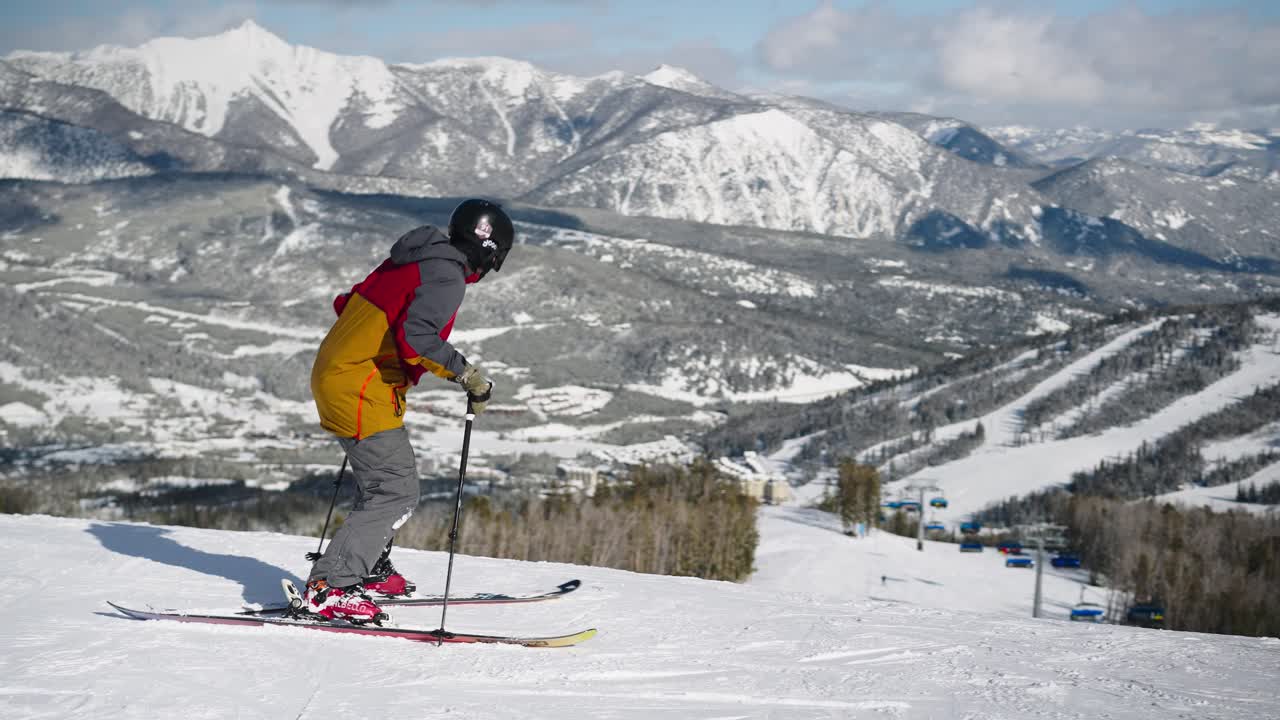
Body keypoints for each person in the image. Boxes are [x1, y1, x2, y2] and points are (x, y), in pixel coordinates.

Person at [304, 199, 514, 622]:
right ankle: (332, 585)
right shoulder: (446, 275)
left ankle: (371, 567)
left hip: (351, 376)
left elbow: (348, 302)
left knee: (381, 483)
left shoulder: (417, 257)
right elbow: (417, 337)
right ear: (489, 252)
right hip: (359, 385)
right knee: (396, 489)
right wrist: (466, 375)